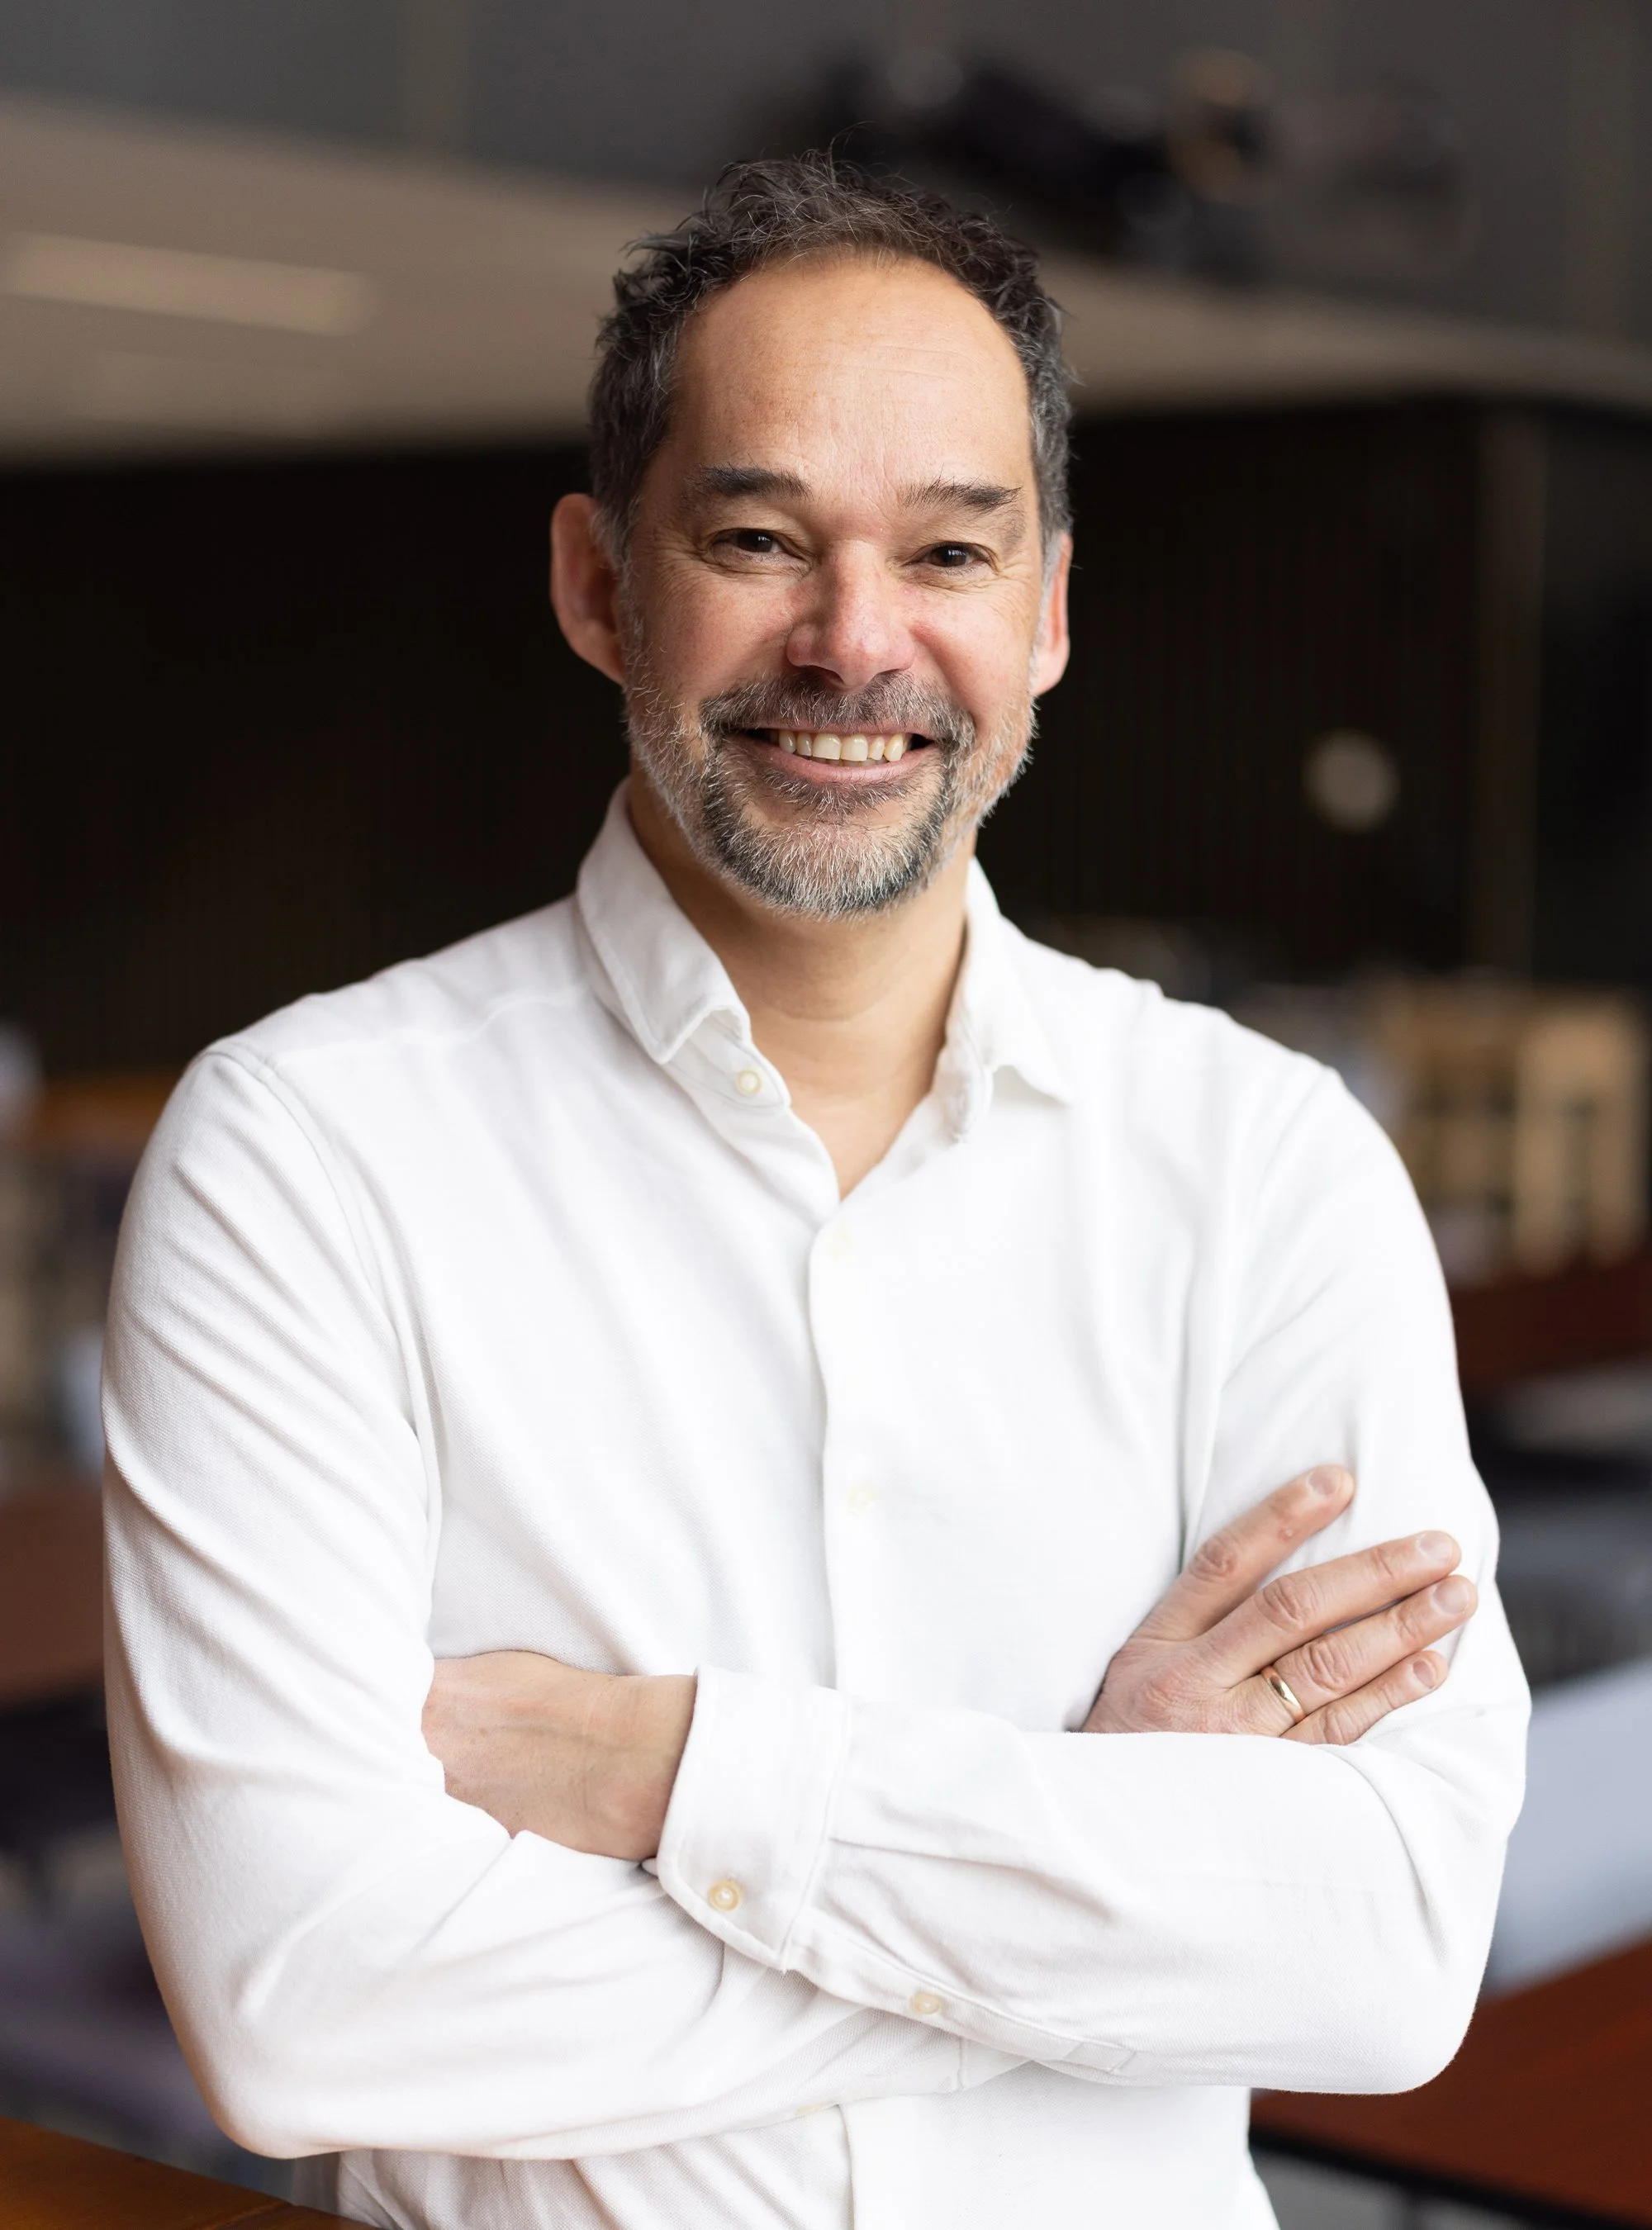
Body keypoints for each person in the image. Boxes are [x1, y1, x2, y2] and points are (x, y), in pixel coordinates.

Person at [103, 156, 1527, 2230]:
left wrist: (674, 1776)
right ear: (602, 586)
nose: (858, 642)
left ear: (1043, 610)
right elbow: (303, 2005)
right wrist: (1107, 1867)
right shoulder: (306, 1155)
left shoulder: (1267, 1165)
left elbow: (1388, 1953)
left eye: (948, 549)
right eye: (759, 539)